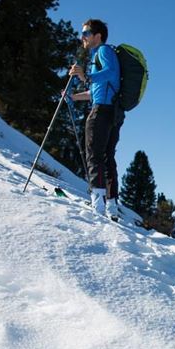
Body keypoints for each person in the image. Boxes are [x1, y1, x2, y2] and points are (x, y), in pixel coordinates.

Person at [68, 18, 124, 220]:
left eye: (86, 33)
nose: (82, 37)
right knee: (107, 156)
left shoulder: (104, 51)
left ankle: (98, 203)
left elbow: (108, 74)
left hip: (101, 112)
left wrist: (85, 76)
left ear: (97, 35)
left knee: (94, 154)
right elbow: (97, 90)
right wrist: (74, 96)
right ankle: (111, 205)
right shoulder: (99, 56)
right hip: (112, 111)